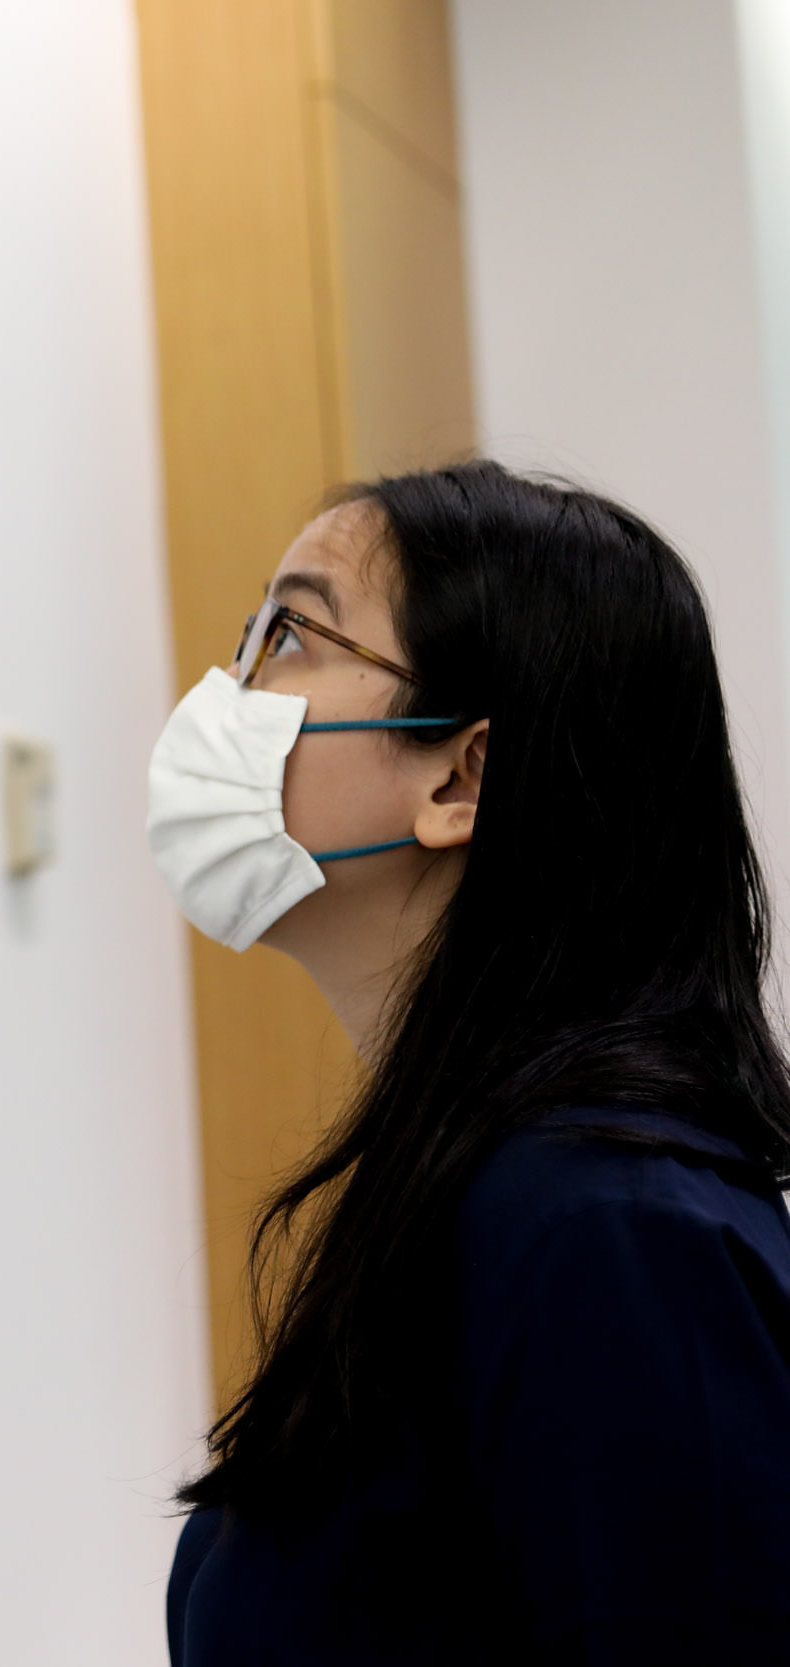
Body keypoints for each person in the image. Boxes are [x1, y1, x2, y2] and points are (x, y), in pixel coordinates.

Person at [146, 463, 790, 1661]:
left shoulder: (607, 1226)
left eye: (289, 633)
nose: (225, 692)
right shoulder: (464, 1182)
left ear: (459, 774)